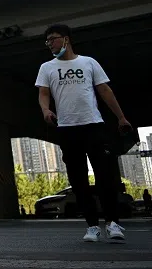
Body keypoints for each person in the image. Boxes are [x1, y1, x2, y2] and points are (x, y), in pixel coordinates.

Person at [36, 24, 130, 242]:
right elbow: (43, 93)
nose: (50, 44)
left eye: (53, 39)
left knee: (105, 177)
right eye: (47, 41)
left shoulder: (88, 62)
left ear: (66, 39)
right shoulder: (47, 67)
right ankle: (92, 226)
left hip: (94, 126)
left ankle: (113, 223)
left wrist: (121, 117)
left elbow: (105, 91)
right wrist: (46, 110)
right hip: (67, 129)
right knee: (78, 181)